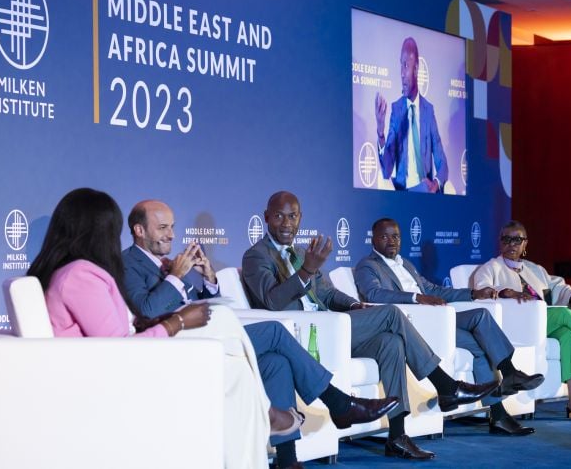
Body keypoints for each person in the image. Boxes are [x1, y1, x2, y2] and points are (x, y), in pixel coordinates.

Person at [27, 188, 303, 469]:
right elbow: (118, 350)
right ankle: (267, 411)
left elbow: (119, 332)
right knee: (225, 321)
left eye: (172, 227)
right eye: (113, 230)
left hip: (129, 362)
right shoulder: (82, 275)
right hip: (116, 378)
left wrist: (199, 285)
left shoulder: (78, 272)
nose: (171, 234)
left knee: (240, 371)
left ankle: (263, 422)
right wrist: (176, 322)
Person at [122, 199, 399, 469]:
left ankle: (288, 460)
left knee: (276, 363)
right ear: (139, 230)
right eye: (162, 228)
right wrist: (176, 277)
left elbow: (197, 304)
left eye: (172, 226)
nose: (171, 234)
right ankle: (339, 403)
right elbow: (146, 309)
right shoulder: (129, 263)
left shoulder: (167, 262)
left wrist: (208, 278)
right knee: (275, 332)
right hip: (180, 345)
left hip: (207, 334)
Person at [242, 191, 499, 460]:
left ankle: (397, 436)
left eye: (292, 216)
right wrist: (306, 270)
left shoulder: (302, 253)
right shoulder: (256, 256)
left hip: (332, 327)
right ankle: (446, 385)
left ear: (300, 219)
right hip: (303, 334)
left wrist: (354, 305)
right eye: (279, 216)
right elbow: (272, 301)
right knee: (391, 315)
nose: (286, 223)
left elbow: (327, 295)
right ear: (267, 218)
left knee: (392, 343)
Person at [354, 217, 544, 436]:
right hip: (412, 324)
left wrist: (472, 293)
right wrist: (417, 298)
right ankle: (499, 409)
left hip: (438, 320)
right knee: (479, 340)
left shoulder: (405, 264)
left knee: (481, 318)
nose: (391, 241)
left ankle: (505, 389)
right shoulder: (367, 266)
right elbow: (375, 294)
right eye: (384, 236)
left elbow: (435, 289)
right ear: (373, 239)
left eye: (396, 236)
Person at [473, 220, 571, 420]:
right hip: (517, 323)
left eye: (517, 240)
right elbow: (482, 290)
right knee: (564, 314)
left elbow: (558, 285)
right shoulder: (490, 267)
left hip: (542, 322)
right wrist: (507, 292)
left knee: (568, 335)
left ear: (525, 244)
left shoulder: (534, 269)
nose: (511, 244)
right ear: (500, 242)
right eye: (506, 239)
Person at [375, 37, 448, 192]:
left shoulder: (428, 111)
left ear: (416, 69)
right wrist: (380, 134)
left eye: (406, 66)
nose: (401, 73)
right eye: (400, 66)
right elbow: (387, 170)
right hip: (404, 193)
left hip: (426, 192)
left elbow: (442, 163)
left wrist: (435, 184)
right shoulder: (397, 110)